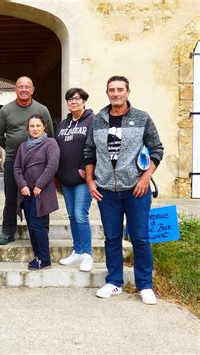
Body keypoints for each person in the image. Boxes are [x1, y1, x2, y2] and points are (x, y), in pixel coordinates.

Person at [84, 76, 164, 305]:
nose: (116, 93)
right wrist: (90, 181)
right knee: (112, 238)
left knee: (140, 238)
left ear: (128, 91)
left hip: (136, 189)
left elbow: (157, 149)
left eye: (120, 89)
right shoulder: (98, 120)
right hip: (106, 190)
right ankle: (114, 282)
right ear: (107, 93)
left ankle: (145, 285)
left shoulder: (142, 118)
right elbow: (89, 152)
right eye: (112, 90)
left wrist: (146, 177)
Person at [0, 76, 54, 246]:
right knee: (11, 196)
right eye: (20, 87)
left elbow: (49, 134)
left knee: (39, 195)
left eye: (27, 87)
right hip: (14, 160)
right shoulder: (6, 110)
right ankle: (8, 230)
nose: (24, 90)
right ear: (15, 89)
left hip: (38, 161)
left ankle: (43, 229)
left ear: (32, 89)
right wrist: (14, 149)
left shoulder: (42, 109)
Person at [14, 114, 59, 270]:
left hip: (42, 192)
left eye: (38, 125)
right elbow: (17, 168)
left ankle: (44, 259)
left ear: (44, 127)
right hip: (26, 192)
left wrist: (39, 185)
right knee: (32, 224)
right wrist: (22, 185)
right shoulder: (23, 146)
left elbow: (52, 166)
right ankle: (38, 256)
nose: (35, 129)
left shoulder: (50, 143)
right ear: (28, 128)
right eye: (32, 126)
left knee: (37, 225)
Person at [56, 88, 94, 272]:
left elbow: (94, 147)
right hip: (66, 177)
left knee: (80, 214)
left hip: (83, 178)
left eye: (78, 99)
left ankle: (87, 254)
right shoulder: (64, 123)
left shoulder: (92, 120)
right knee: (71, 215)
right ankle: (77, 250)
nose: (74, 102)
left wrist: (85, 168)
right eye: (70, 99)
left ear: (84, 101)